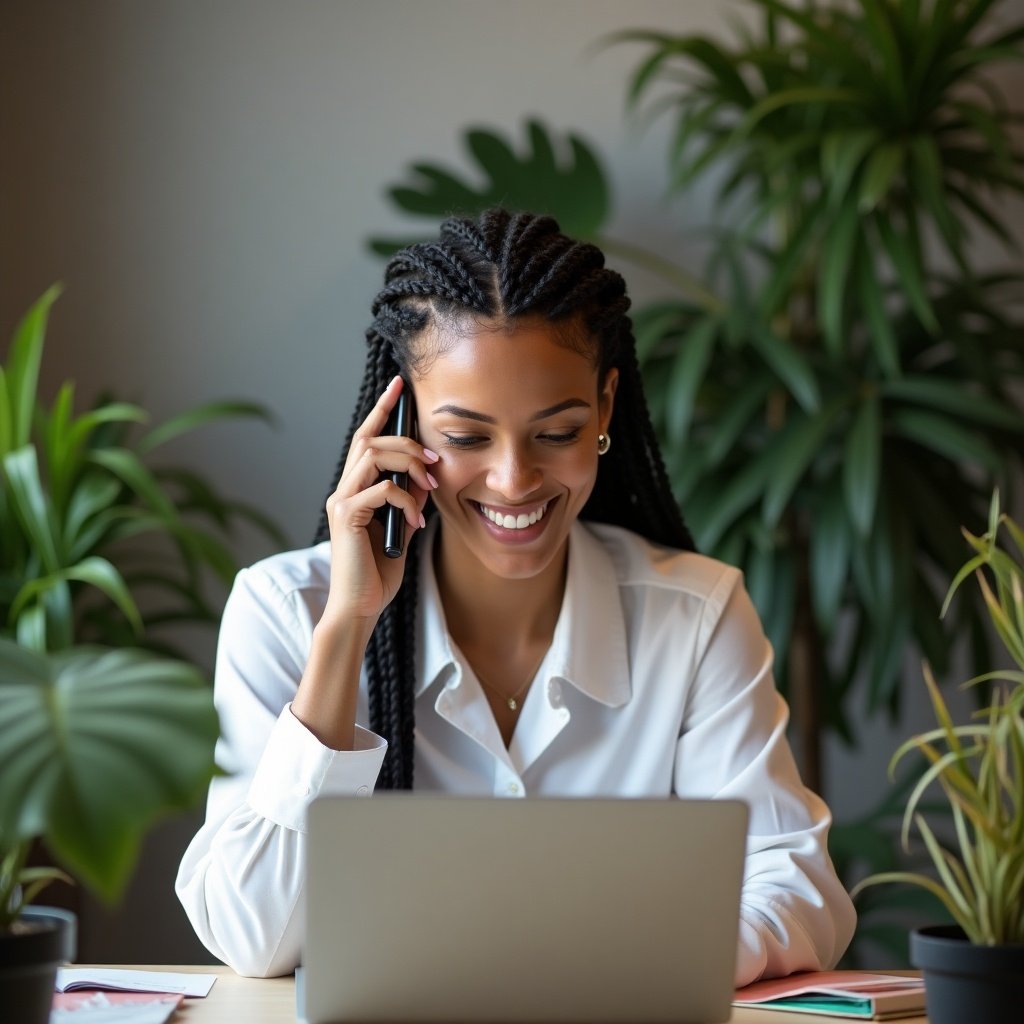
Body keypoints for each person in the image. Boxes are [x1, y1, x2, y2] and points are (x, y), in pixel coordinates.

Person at [176, 208, 856, 982]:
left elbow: (799, 890)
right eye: (466, 438)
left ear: (604, 408)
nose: (514, 480)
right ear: (398, 428)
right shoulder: (285, 611)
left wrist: (608, 965)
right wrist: (346, 628)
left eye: (556, 433)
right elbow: (254, 936)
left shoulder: (695, 616)